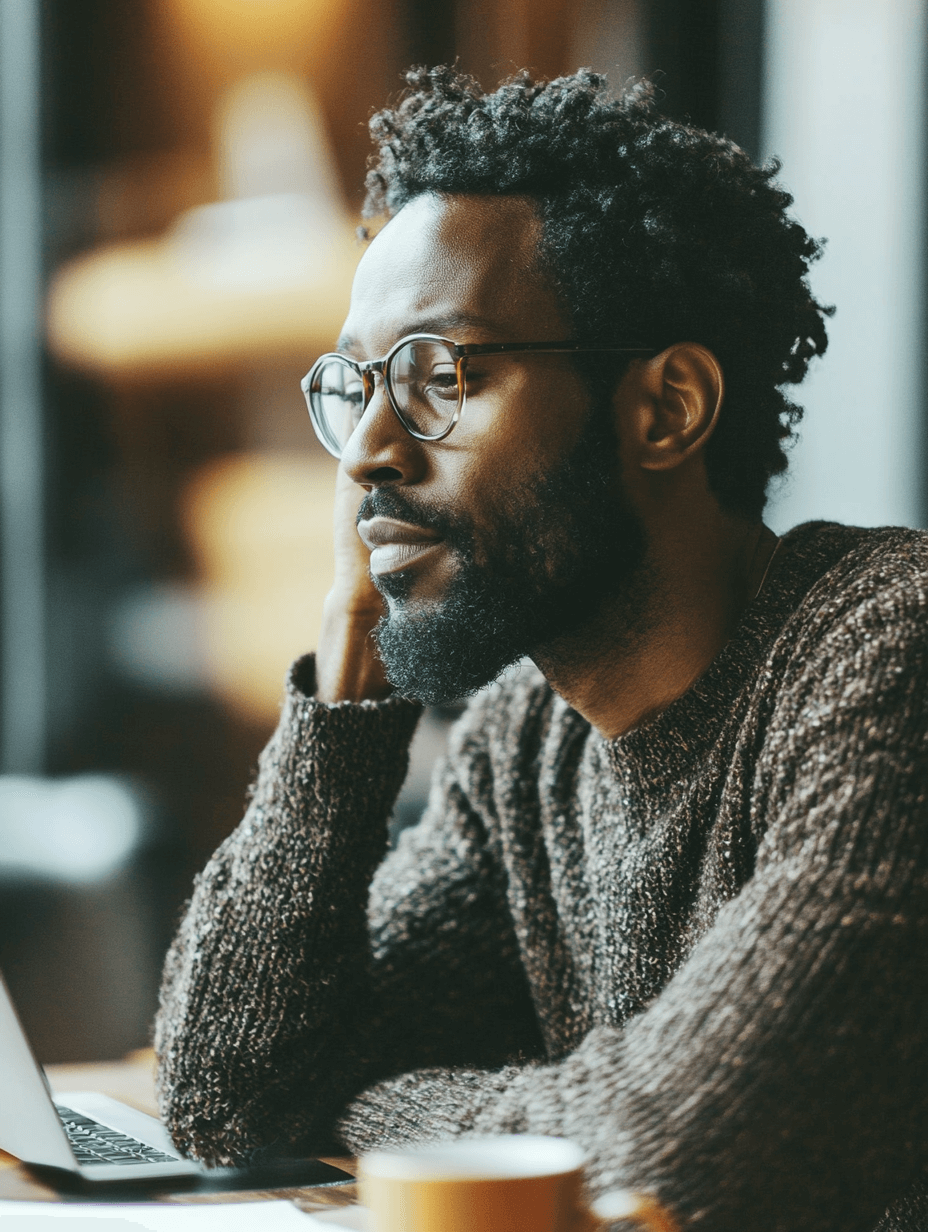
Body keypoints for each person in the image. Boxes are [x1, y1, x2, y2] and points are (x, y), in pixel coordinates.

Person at [154, 67, 928, 1232]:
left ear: (664, 407)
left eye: (437, 377)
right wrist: (348, 656)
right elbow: (228, 1090)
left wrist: (367, 1110)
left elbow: (662, 1153)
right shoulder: (528, 745)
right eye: (357, 385)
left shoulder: (889, 651)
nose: (364, 450)